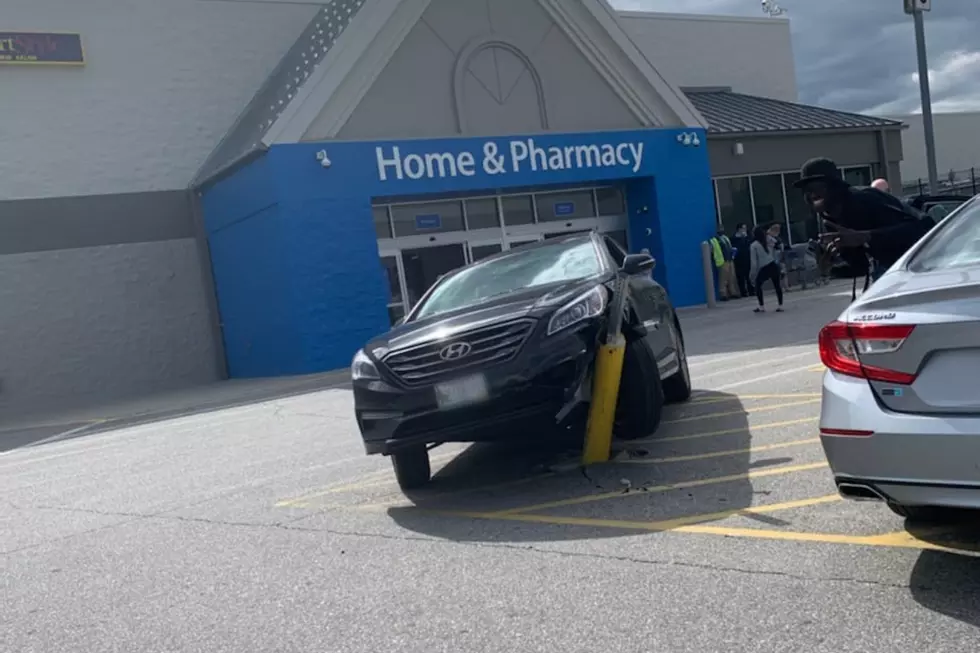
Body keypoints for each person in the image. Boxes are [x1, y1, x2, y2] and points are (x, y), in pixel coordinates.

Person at [793, 157, 934, 285]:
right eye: (806, 190)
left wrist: (867, 236)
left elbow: (921, 228)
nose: (811, 194)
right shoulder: (830, 221)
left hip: (923, 267)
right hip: (891, 272)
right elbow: (860, 267)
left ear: (834, 186)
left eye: (817, 187)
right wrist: (829, 267)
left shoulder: (864, 199)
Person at [749, 225, 783, 313]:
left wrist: (752, 274)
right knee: (777, 286)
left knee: (758, 285)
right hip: (773, 265)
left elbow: (754, 263)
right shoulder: (768, 240)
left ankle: (761, 306)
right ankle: (780, 305)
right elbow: (778, 244)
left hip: (764, 267)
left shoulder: (754, 245)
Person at [709, 230, 739, 300]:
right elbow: (712, 251)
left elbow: (729, 247)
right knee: (723, 278)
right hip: (722, 260)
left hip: (729, 259)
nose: (721, 230)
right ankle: (723, 294)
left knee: (731, 276)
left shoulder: (726, 238)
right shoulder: (714, 240)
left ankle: (732, 292)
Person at [730, 223, 753, 297]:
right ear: (739, 229)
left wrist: (746, 238)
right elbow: (735, 248)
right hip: (739, 260)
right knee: (740, 276)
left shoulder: (747, 237)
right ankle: (743, 291)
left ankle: (751, 290)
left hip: (747, 258)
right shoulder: (734, 238)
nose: (745, 230)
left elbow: (750, 245)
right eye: (743, 228)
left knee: (749, 275)